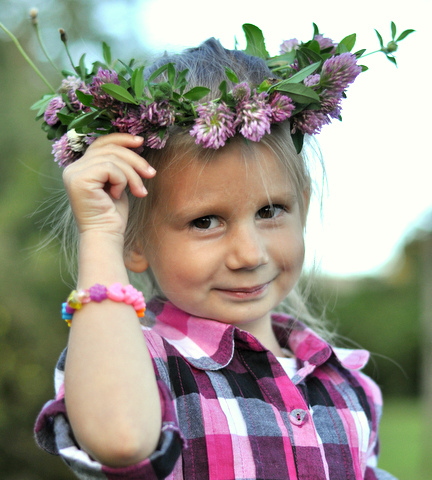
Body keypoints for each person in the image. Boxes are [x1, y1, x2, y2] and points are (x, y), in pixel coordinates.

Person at [33, 27, 398, 480]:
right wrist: (101, 233)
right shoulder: (139, 363)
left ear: (303, 203)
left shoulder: (350, 386)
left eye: (271, 210)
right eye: (205, 221)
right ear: (135, 241)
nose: (249, 254)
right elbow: (121, 439)